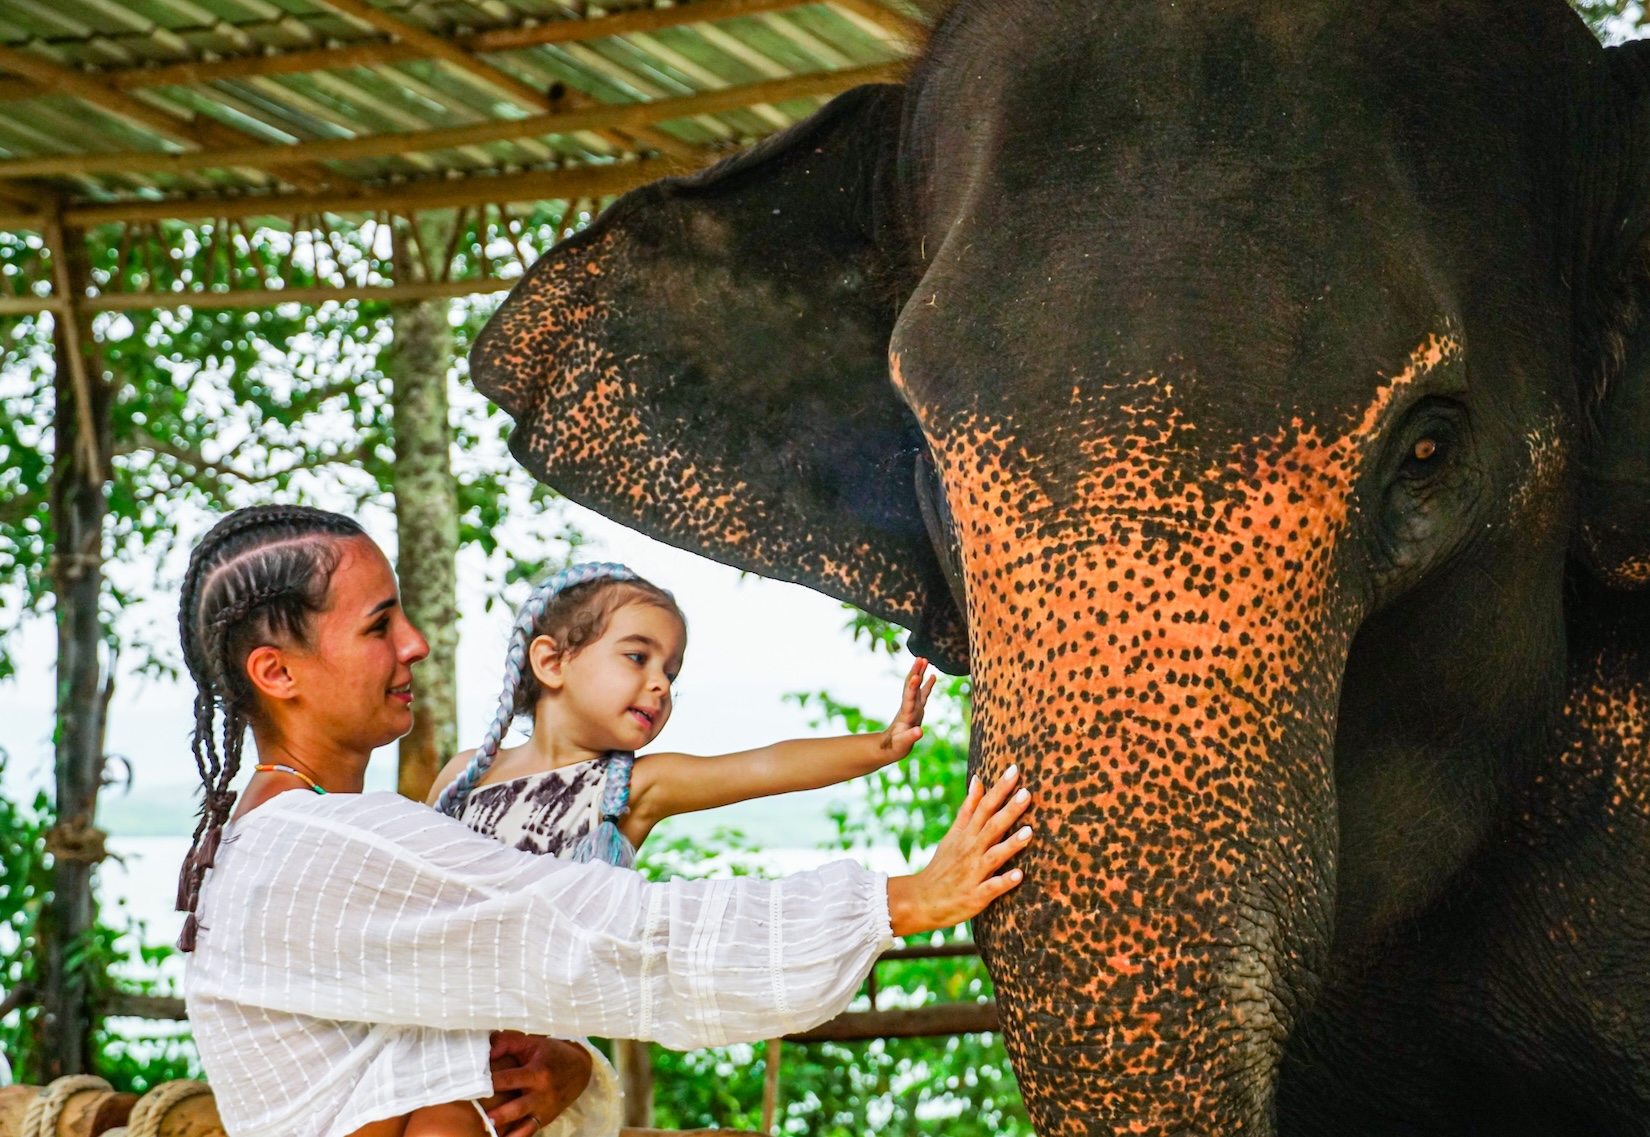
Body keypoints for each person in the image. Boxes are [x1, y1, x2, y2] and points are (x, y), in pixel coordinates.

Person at [177, 506, 1034, 1137]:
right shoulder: (324, 846)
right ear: (276, 672)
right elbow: (610, 931)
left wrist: (569, 1063)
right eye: (378, 624)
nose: (416, 643)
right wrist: (901, 901)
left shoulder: (287, 835)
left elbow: (461, 991)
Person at [400, 562, 945, 1136]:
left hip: (519, 1061)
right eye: (638, 657)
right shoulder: (466, 774)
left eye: (671, 671)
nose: (660, 684)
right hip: (425, 1023)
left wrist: (880, 746)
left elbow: (761, 766)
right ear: (551, 662)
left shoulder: (631, 789)